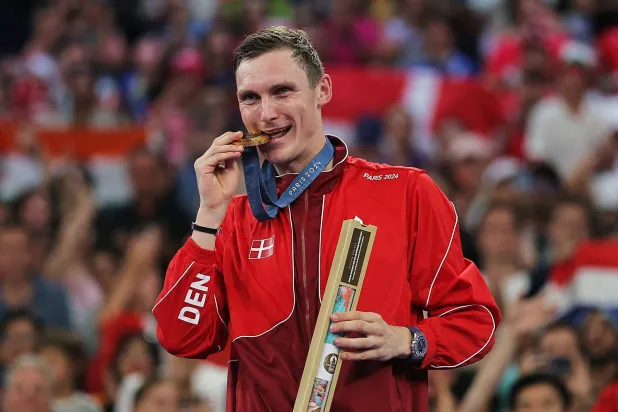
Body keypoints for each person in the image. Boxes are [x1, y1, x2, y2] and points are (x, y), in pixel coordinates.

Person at [153, 26, 501, 411]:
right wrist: (208, 215)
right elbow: (182, 337)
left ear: (323, 90)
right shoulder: (234, 220)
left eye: (282, 91)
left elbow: (475, 322)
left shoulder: (404, 192)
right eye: (250, 97)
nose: (266, 113)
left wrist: (407, 340)